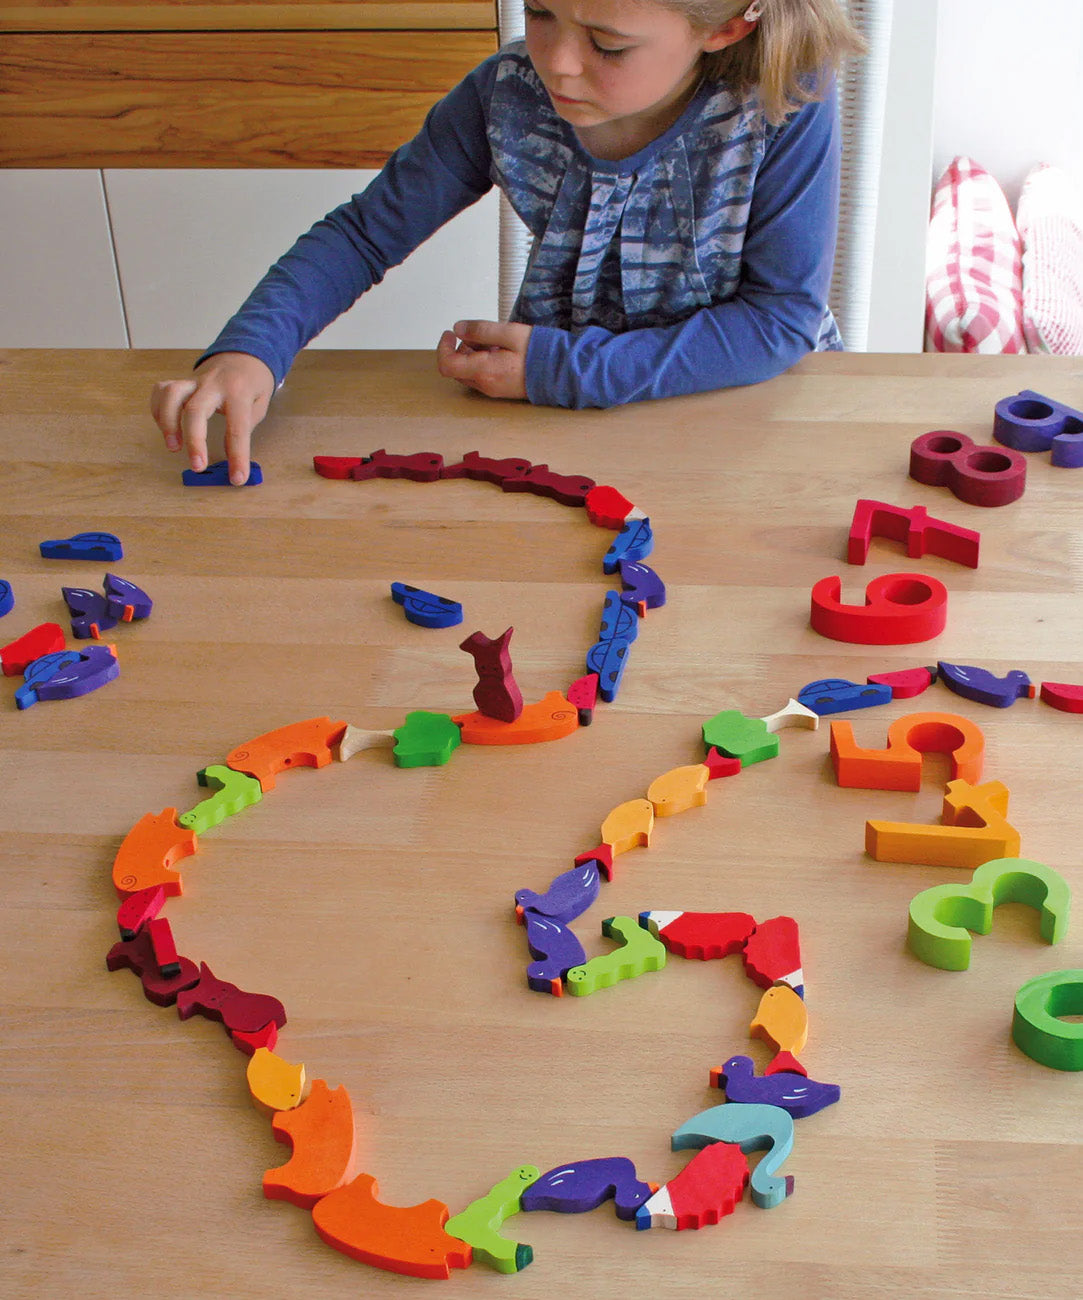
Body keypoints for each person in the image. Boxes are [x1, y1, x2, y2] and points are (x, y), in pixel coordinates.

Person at [151, 0, 864, 483]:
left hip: (745, 425)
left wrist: (566, 370)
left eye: (607, 43)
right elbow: (364, 235)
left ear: (724, 29)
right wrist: (251, 350)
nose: (555, 60)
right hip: (556, 438)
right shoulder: (503, 96)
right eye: (540, 11)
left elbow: (778, 318)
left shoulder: (785, 100)